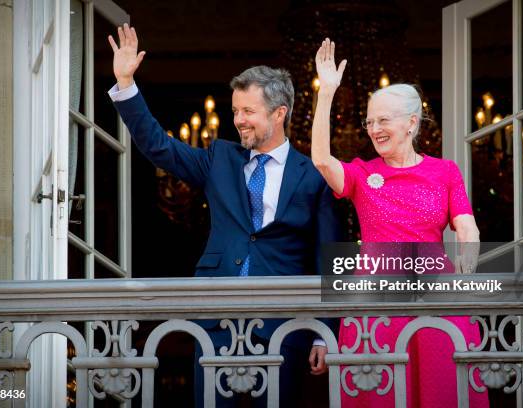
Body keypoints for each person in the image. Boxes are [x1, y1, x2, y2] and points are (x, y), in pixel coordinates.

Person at [107, 24, 339, 407]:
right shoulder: (219, 158)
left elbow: (327, 256)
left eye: (249, 111)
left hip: (285, 326)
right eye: (235, 110)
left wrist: (323, 334)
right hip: (214, 321)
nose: (239, 119)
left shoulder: (313, 172)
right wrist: (126, 82)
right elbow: (158, 147)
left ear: (279, 113)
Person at [311, 38, 488, 407]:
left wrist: (466, 269)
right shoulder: (362, 173)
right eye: (369, 121)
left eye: (383, 120)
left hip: (436, 293)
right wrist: (326, 93)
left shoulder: (444, 171)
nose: (373, 128)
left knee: (441, 390)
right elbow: (322, 161)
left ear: (411, 123)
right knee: (379, 395)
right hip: (375, 299)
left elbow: (467, 226)